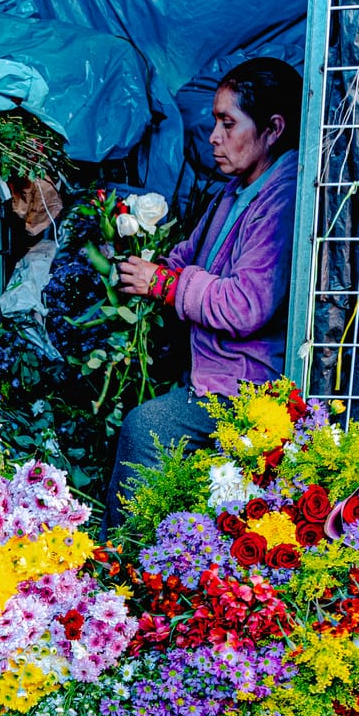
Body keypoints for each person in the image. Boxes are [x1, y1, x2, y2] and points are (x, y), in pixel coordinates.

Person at [105, 57, 304, 528]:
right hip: (212, 377)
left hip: (250, 389)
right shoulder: (235, 192)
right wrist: (148, 269)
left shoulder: (285, 196)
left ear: (273, 129)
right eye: (215, 121)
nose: (213, 136)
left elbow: (246, 305)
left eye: (227, 122)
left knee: (146, 426)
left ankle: (121, 560)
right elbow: (190, 255)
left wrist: (166, 284)